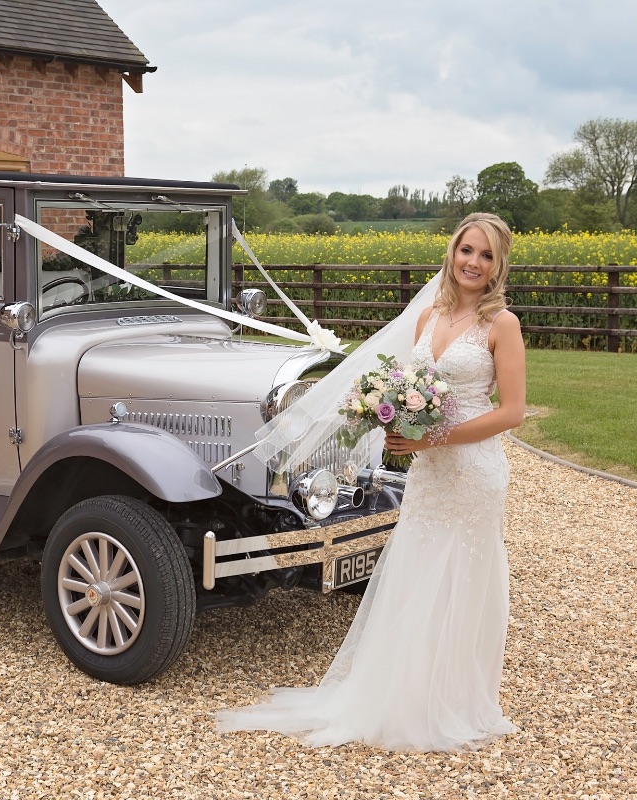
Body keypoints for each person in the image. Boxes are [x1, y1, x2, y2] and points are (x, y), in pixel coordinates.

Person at [215, 212, 526, 752]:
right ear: (452, 254)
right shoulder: (429, 315)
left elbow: (513, 412)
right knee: (417, 570)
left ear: (498, 266)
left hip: (473, 470)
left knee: (466, 575)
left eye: (485, 255)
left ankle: (458, 699)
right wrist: (394, 424)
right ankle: (403, 694)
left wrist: (436, 440)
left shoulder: (503, 325)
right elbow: (401, 387)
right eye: (466, 251)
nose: (473, 263)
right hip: (429, 471)